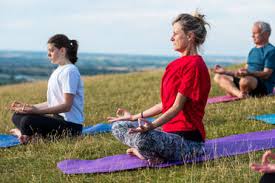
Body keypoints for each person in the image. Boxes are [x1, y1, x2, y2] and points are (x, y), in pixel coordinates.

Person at [108, 12, 211, 164]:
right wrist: (133, 117)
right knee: (119, 126)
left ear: (190, 36)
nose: (171, 38)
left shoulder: (194, 66)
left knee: (144, 138)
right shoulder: (175, 65)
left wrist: (153, 126)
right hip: (167, 134)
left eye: (176, 34)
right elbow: (166, 104)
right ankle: (149, 152)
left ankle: (145, 151)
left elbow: (177, 107)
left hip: (188, 141)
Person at [9, 34, 84, 144]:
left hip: (71, 127)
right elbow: (52, 102)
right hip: (58, 121)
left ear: (62, 50)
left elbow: (67, 106)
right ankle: (30, 136)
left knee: (27, 121)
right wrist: (28, 107)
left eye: (51, 50)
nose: (48, 54)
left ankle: (26, 135)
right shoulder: (59, 70)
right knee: (18, 115)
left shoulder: (70, 71)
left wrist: (36, 111)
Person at [213, 21, 275, 98]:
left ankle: (234, 92)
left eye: (255, 33)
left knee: (244, 81)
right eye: (252, 33)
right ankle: (240, 94)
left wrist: (249, 73)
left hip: (262, 86)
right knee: (218, 77)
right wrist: (224, 71)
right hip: (246, 80)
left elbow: (266, 74)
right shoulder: (253, 51)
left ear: (266, 34)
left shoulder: (271, 51)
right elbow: (243, 72)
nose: (252, 36)